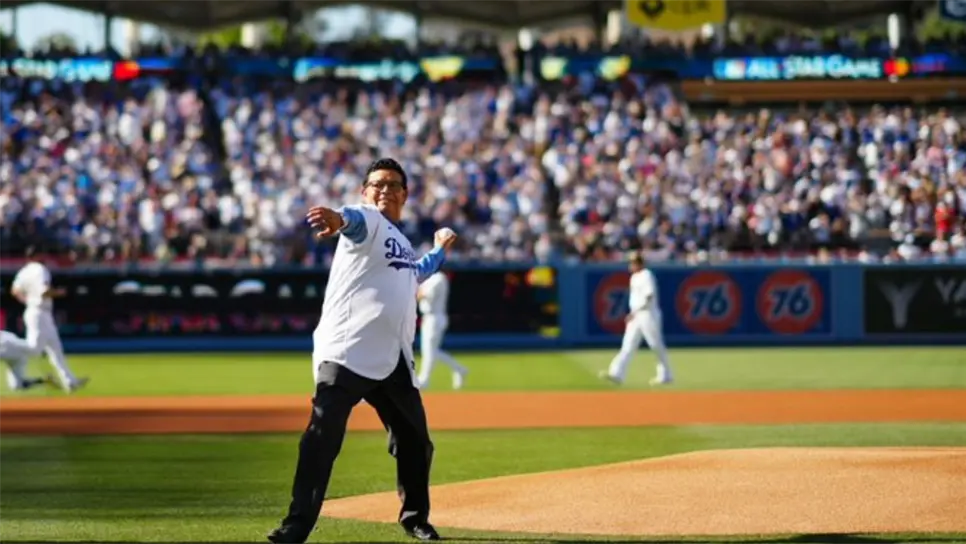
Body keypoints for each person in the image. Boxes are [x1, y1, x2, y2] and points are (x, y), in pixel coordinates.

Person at [268, 158, 456, 544]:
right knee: (322, 436)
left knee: (416, 442)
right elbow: (349, 220)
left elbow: (416, 271)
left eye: (393, 185)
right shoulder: (368, 221)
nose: (385, 190)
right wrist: (336, 220)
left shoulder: (400, 242)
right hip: (347, 352)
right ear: (365, 192)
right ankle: (297, 524)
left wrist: (439, 250)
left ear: (405, 194)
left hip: (393, 360)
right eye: (377, 184)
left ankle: (415, 518)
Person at [10, 247, 88, 393]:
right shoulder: (40, 269)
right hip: (39, 313)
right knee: (34, 349)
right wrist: (61, 292)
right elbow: (44, 291)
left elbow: (14, 290)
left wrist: (27, 301)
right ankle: (6, 345)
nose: (44, 256)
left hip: (36, 311)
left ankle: (70, 381)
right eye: (41, 254)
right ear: (36, 256)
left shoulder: (24, 271)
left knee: (55, 349)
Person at [599, 252, 673, 386]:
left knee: (655, 345)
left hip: (648, 313)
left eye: (633, 262)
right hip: (636, 315)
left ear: (639, 263)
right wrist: (634, 313)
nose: (630, 265)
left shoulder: (646, 275)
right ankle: (617, 373)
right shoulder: (634, 277)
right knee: (628, 344)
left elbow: (649, 296)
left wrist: (635, 312)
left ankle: (665, 374)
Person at [416, 270, 468, 390]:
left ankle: (424, 379)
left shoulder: (439, 278)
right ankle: (459, 369)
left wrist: (414, 291)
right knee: (431, 351)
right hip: (428, 317)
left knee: (430, 351)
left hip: (435, 317)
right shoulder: (428, 278)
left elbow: (424, 295)